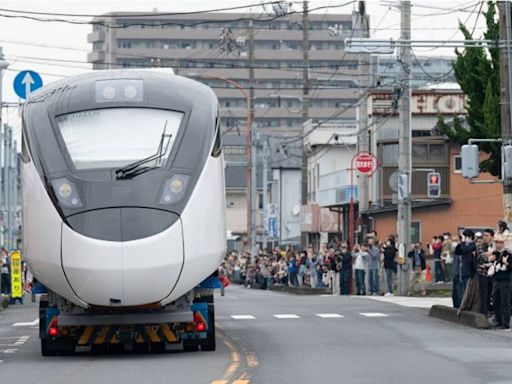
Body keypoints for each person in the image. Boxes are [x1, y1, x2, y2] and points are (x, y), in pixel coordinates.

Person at [489, 235, 511, 330]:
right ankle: (498, 320)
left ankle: (505, 322)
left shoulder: (508, 254)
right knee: (495, 301)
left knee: (504, 302)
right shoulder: (495, 254)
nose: (498, 245)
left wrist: (506, 263)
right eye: (497, 243)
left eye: (500, 243)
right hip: (496, 280)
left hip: (506, 281)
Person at [476, 229, 494, 316]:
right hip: (483, 273)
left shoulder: (495, 246)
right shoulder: (480, 246)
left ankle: (491, 312)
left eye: (487, 235)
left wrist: (490, 255)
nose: (485, 237)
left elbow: (497, 257)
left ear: (492, 237)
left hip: (494, 274)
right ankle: (484, 314)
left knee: (492, 294)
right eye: (484, 235)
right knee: (484, 295)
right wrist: (490, 256)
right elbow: (481, 257)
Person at [451, 235, 464, 308]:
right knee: (454, 295)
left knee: (460, 294)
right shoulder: (455, 250)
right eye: (453, 240)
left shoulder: (461, 249)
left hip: (460, 275)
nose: (454, 242)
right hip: (455, 275)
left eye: (456, 240)